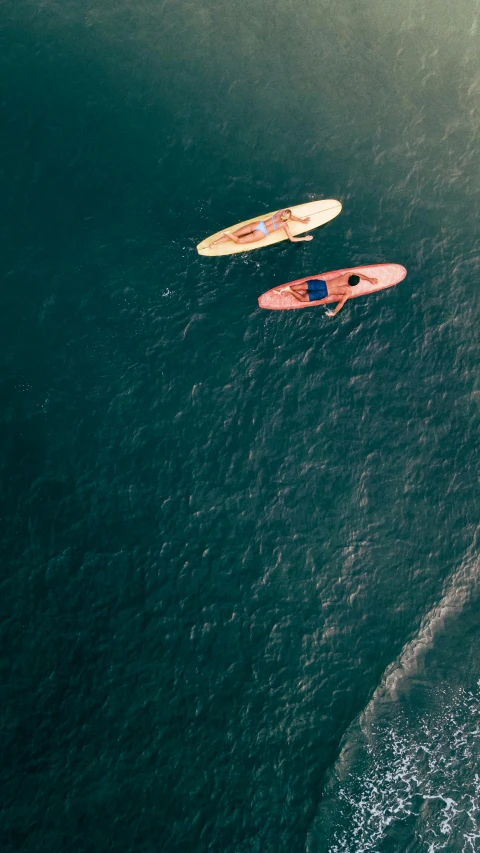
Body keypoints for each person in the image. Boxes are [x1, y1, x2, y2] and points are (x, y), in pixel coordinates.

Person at [275, 271, 378, 316]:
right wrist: (334, 313)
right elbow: (341, 303)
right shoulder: (348, 291)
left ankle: (283, 290)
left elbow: (358, 275)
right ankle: (289, 291)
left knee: (300, 287)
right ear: (353, 285)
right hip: (324, 292)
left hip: (321, 284)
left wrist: (369, 279)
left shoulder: (347, 275)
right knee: (302, 299)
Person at [208, 209, 313, 248]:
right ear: (288, 218)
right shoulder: (284, 225)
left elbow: (289, 215)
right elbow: (292, 239)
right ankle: (229, 234)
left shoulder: (280, 212)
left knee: (236, 234)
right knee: (238, 241)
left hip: (258, 224)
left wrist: (300, 220)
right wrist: (305, 238)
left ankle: (214, 243)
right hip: (261, 233)